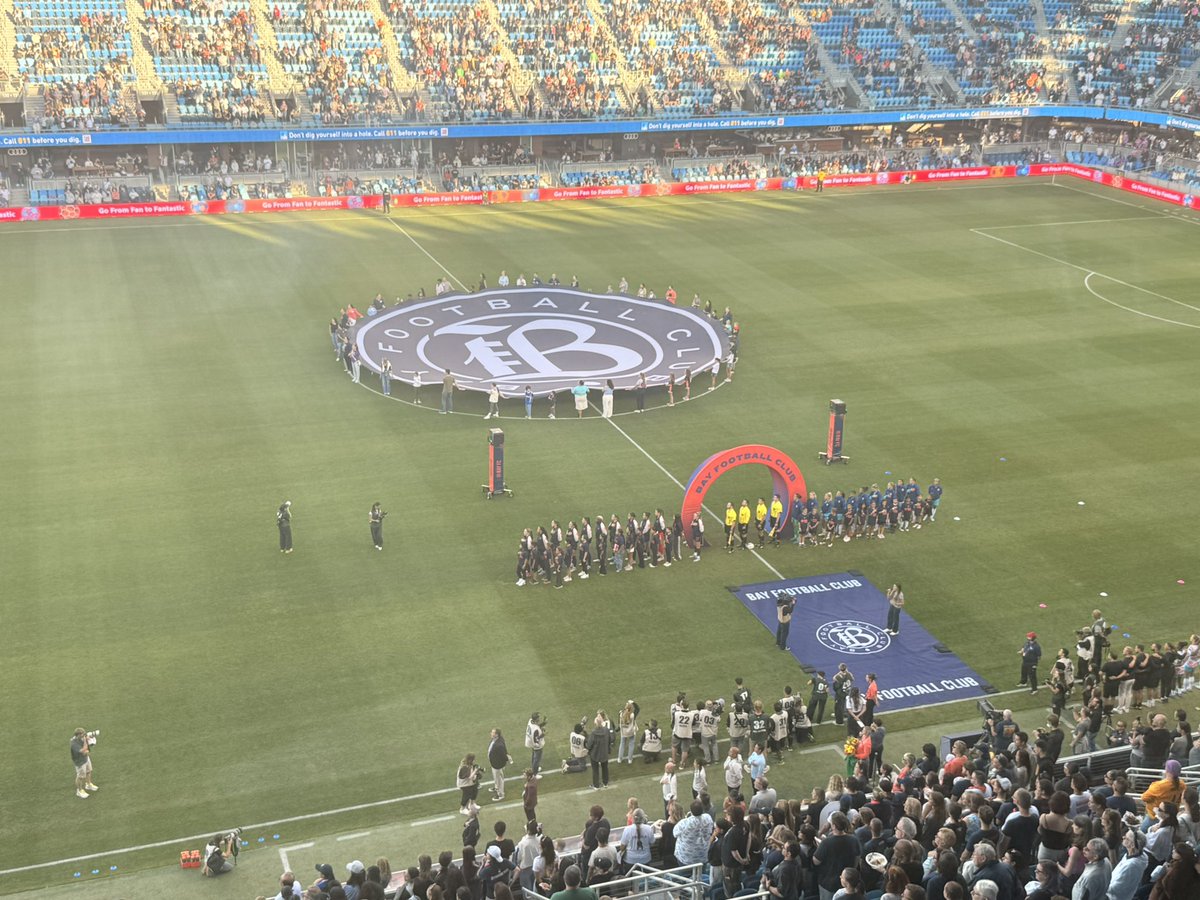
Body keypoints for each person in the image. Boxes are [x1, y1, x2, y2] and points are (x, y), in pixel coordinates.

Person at [586, 713, 611, 790]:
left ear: (596, 723)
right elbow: (610, 740)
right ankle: (605, 783)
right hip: (604, 753)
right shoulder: (606, 730)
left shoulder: (593, 732)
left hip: (595, 754)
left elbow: (589, 744)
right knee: (605, 768)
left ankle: (596, 785)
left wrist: (588, 750)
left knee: (595, 770)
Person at [70, 728, 98, 799]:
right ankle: (79, 790)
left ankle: (88, 784)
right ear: (78, 735)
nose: (84, 735)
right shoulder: (74, 744)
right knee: (80, 777)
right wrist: (86, 741)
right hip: (80, 762)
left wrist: (89, 739)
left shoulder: (81, 738)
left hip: (86, 758)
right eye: (82, 734)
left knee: (89, 771)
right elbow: (84, 750)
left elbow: (87, 747)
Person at [488, 728, 511, 801]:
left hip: (497, 764)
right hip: (494, 763)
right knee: (497, 778)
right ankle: (496, 787)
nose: (491, 733)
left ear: (496, 735)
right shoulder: (497, 740)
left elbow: (503, 754)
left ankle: (501, 794)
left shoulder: (499, 745)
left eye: (492, 732)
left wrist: (504, 762)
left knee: (499, 779)